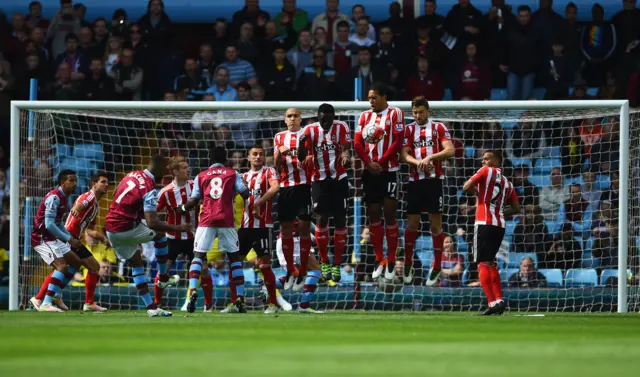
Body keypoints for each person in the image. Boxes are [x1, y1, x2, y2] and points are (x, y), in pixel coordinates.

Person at [105, 156, 190, 317]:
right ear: (159, 170)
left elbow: (116, 193)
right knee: (160, 236)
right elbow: (152, 223)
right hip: (126, 227)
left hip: (111, 228)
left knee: (136, 262)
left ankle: (151, 307)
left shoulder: (131, 174)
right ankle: (164, 276)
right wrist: (177, 227)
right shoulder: (149, 187)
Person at [177, 147, 250, 313]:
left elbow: (194, 200)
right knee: (234, 259)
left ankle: (192, 292)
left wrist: (181, 208)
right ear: (225, 159)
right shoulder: (233, 173)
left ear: (210, 158)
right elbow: (245, 193)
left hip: (206, 220)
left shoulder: (201, 176)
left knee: (198, 256)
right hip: (227, 220)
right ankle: (239, 298)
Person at [31, 171, 111, 312]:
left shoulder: (96, 206)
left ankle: (47, 296)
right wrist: (75, 209)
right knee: (90, 266)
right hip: (66, 237)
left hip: (72, 238)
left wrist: (103, 238)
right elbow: (80, 204)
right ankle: (83, 302)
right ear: (94, 184)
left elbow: (90, 230)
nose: (107, 185)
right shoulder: (88, 197)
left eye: (107, 182)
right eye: (103, 182)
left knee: (72, 265)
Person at [400, 96, 455, 285]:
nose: (417, 115)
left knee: (435, 226)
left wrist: (430, 158)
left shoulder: (439, 128)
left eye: (420, 112)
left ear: (428, 111)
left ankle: (438, 266)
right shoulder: (408, 130)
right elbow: (403, 155)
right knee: (412, 225)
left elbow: (450, 150)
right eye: (414, 112)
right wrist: (419, 162)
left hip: (434, 182)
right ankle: (407, 262)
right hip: (415, 182)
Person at [354, 83, 405, 281]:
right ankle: (379, 258)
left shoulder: (395, 113)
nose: (371, 101)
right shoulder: (365, 116)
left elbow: (398, 140)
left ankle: (392, 259)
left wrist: (381, 163)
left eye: (374, 97)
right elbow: (357, 142)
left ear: (384, 97)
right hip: (370, 172)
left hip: (389, 171)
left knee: (390, 214)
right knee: (373, 216)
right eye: (369, 98)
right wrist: (368, 163)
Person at [297, 103, 351, 282]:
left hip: (339, 179)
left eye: (329, 118)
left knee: (341, 219)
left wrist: (345, 157)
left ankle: (337, 264)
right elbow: (301, 157)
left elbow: (345, 150)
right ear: (318, 117)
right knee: (321, 218)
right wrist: (300, 143)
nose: (326, 121)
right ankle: (325, 260)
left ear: (334, 116)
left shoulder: (342, 127)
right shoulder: (310, 130)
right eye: (323, 118)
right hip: (318, 179)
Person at [462, 150, 520, 315]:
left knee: (482, 263)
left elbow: (466, 187)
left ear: (496, 161)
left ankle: (492, 302)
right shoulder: (508, 183)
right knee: (491, 263)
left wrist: (476, 191)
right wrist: (500, 212)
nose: (483, 162)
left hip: (484, 223)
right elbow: (516, 208)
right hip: (499, 225)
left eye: (486, 159)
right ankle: (499, 300)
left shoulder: (486, 171)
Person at [30, 170, 87, 312]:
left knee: (76, 262)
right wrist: (68, 239)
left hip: (52, 237)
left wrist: (70, 238)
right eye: (71, 181)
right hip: (42, 237)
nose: (75, 184)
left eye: (75, 180)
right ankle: (46, 303)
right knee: (61, 266)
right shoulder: (54, 198)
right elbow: (49, 224)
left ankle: (56, 293)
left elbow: (59, 222)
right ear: (63, 183)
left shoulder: (64, 198)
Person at [233, 145, 281, 314]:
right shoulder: (242, 177)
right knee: (235, 262)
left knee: (265, 264)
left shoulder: (269, 172)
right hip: (245, 227)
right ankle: (236, 302)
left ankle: (272, 304)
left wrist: (259, 203)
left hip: (262, 226)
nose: (258, 157)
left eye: (261, 154)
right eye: (255, 154)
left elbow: (275, 187)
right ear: (248, 157)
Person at [274, 108, 314, 290]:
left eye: (295, 116)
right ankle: (291, 270)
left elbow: (309, 161)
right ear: (285, 120)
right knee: (286, 228)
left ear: (300, 118)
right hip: (286, 187)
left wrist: (300, 156)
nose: (292, 119)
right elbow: (277, 164)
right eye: (289, 116)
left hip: (305, 186)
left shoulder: (307, 135)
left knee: (305, 229)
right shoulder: (279, 137)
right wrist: (279, 156)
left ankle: (303, 270)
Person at [154, 156, 201, 309]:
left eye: (188, 166)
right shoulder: (165, 192)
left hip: (194, 236)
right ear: (175, 172)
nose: (188, 169)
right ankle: (157, 303)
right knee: (163, 272)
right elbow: (153, 213)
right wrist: (162, 228)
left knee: (204, 270)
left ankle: (207, 305)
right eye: (184, 167)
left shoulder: (195, 186)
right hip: (173, 237)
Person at [275, 222, 324, 313]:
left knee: (297, 275)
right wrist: (319, 233)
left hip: (286, 239)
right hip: (294, 240)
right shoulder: (298, 211)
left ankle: (268, 285)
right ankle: (304, 306)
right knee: (314, 270)